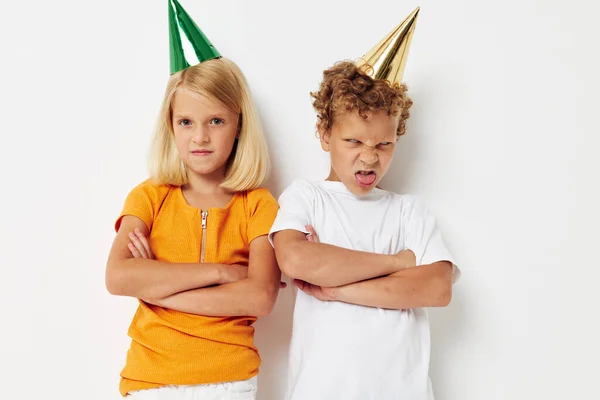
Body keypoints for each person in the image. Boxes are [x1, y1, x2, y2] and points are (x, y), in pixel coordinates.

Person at [270, 8, 460, 400]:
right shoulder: (306, 197)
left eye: (383, 144)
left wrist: (338, 289)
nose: (370, 158)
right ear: (324, 134)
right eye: (354, 142)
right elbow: (298, 262)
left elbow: (437, 287)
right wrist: (397, 264)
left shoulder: (409, 210)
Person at [105, 1, 281, 398]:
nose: (200, 137)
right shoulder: (149, 197)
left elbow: (260, 296)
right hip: (151, 380)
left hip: (230, 381)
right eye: (186, 122)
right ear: (171, 126)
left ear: (238, 126)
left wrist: (157, 285)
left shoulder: (257, 205)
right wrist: (221, 272)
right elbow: (118, 278)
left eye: (215, 121)